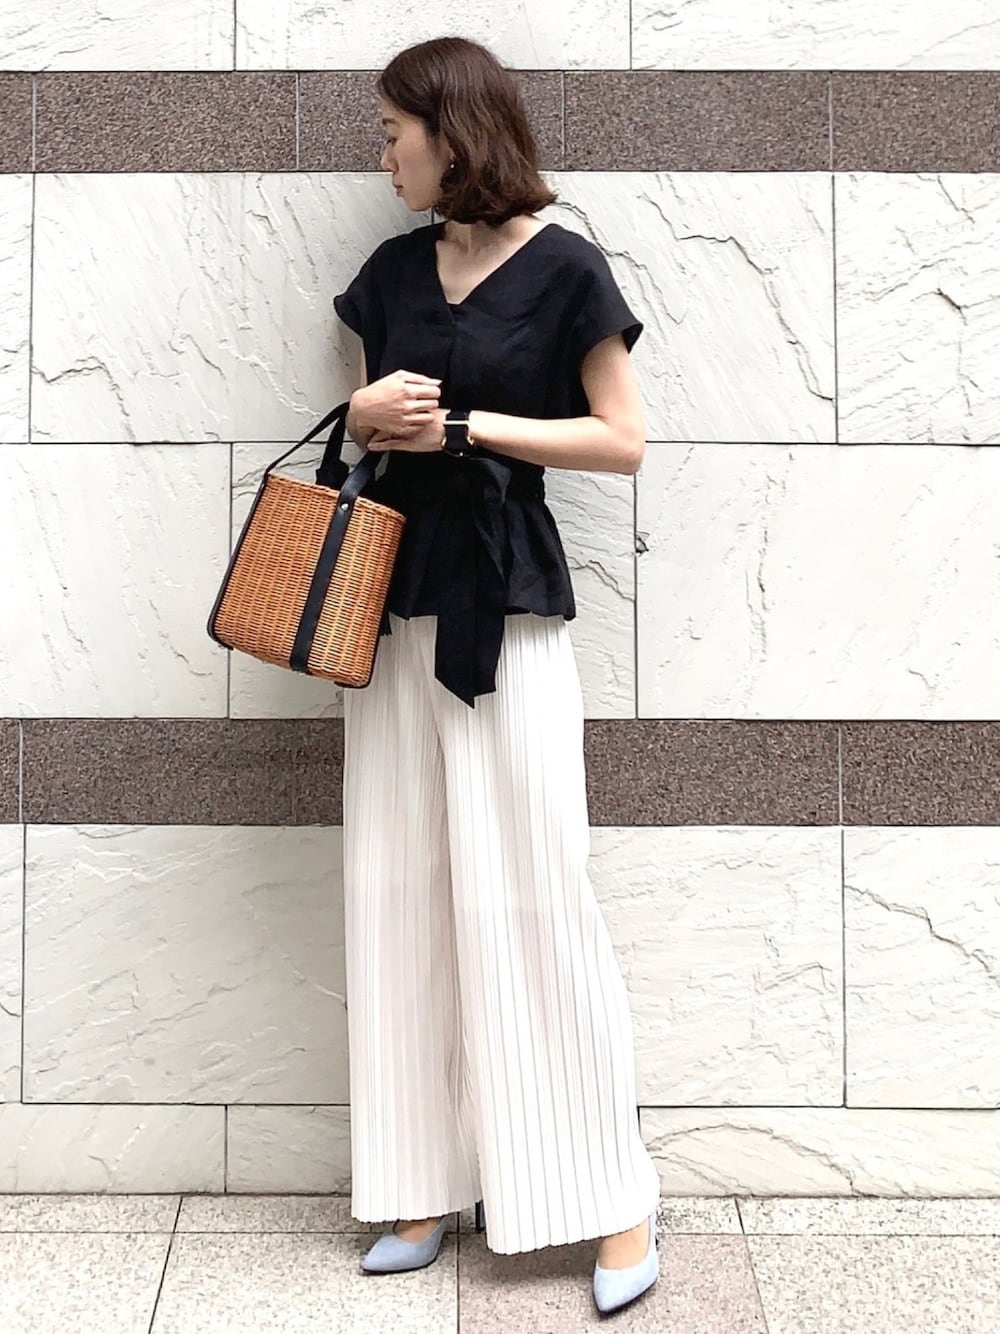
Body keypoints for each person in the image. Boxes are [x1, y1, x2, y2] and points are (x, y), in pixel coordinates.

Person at [332, 35, 660, 1316]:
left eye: (391, 132)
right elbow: (360, 423)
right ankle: (421, 1181)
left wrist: (468, 427)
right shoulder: (389, 273)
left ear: (451, 131)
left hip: (508, 609)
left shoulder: (566, 267)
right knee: (398, 887)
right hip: (391, 609)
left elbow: (622, 439)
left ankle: (610, 1197)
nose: (382, 156)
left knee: (533, 888)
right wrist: (367, 418)